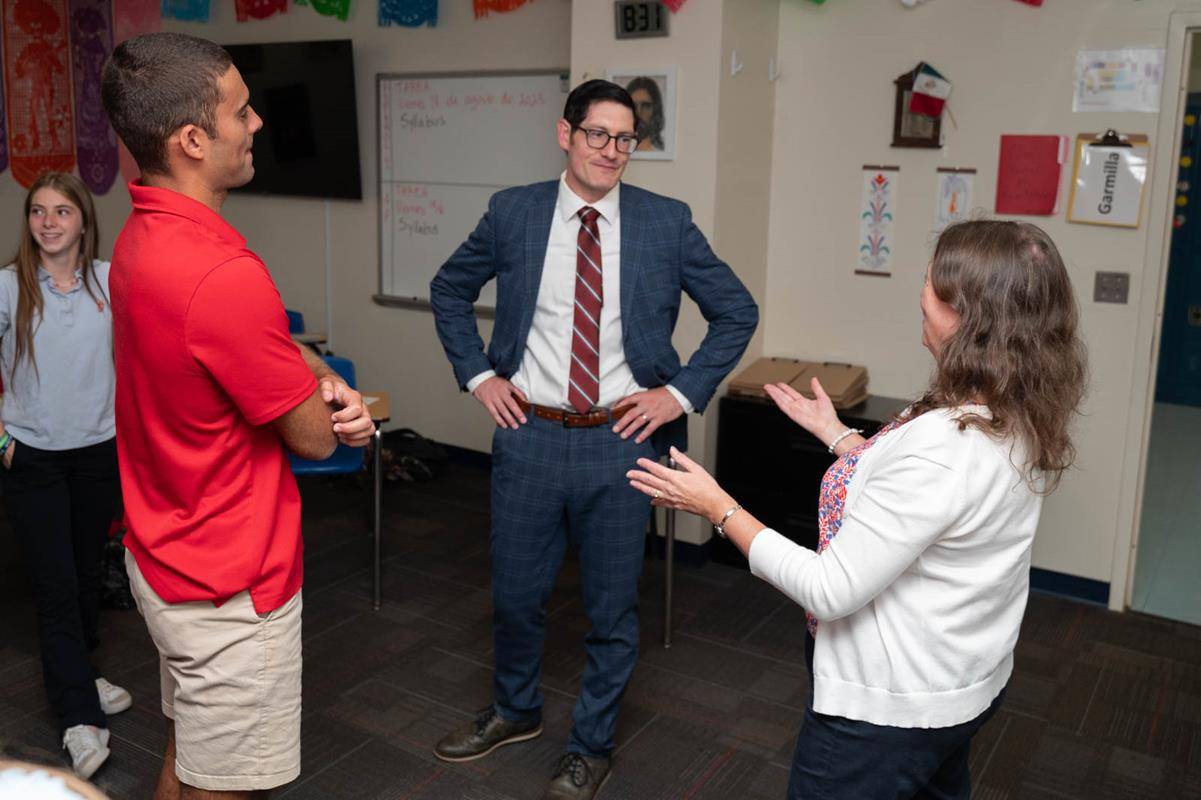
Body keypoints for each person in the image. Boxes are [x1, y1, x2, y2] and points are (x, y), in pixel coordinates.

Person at [628, 220, 1088, 800]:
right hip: (959, 685)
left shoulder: (946, 449)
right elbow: (936, 503)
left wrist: (718, 507)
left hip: (889, 713)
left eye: (935, 280)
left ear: (970, 315)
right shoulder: (1012, 405)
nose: (922, 288)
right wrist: (840, 437)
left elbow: (828, 589)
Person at [429, 78, 758, 800]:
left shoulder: (663, 222)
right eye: (597, 134)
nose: (611, 150)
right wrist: (478, 375)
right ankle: (515, 710)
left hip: (620, 443)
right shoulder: (512, 213)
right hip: (530, 437)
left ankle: (591, 746)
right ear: (565, 134)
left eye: (624, 139)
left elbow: (736, 310)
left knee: (611, 609)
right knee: (516, 597)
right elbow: (449, 289)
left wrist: (674, 395)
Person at [100, 32, 375, 799]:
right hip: (229, 585)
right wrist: (328, 399)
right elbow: (315, 439)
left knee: (189, 756)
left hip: (166, 552)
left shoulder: (140, 239)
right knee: (229, 786)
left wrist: (305, 367)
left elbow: (251, 351)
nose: (256, 123)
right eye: (241, 111)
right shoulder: (221, 273)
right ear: (192, 139)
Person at [0, 171, 132, 780]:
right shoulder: (7, 288)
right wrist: (1, 441)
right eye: (37, 212)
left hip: (97, 454)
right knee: (54, 589)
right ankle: (79, 718)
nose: (47, 223)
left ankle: (81, 670)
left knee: (83, 578)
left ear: (83, 221)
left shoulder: (109, 283)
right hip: (34, 461)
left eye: (61, 212)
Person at [623, 76, 664, 152]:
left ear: (655, 110)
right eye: (633, 106)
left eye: (646, 106)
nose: (639, 112)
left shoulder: (658, 151)